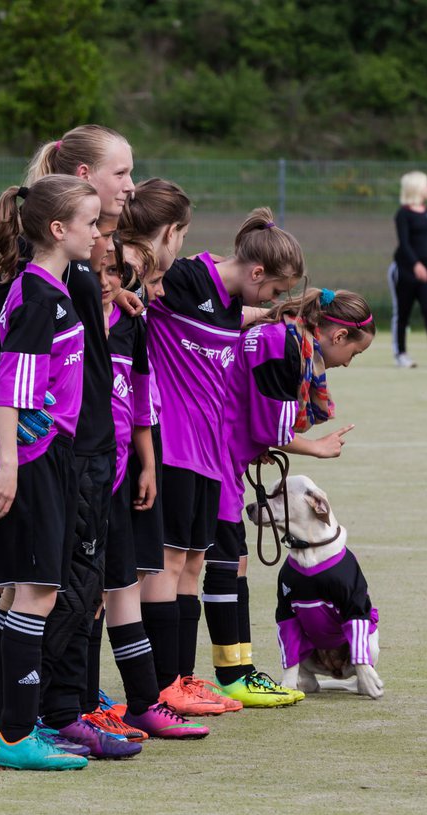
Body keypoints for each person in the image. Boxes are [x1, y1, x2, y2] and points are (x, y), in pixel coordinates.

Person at [142, 207, 307, 714]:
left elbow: (243, 316)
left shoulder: (233, 305)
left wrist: (296, 312)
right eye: (275, 290)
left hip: (211, 456)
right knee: (168, 564)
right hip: (172, 446)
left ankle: (185, 680)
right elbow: (135, 271)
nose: (272, 299)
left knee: (193, 563)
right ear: (256, 271)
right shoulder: (186, 276)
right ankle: (160, 685)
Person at [0, 175, 101, 772]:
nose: (98, 234)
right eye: (91, 224)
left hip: (45, 459)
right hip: (31, 462)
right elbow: (11, 391)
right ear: (58, 229)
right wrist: (11, 470)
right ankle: (18, 736)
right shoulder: (38, 297)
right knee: (38, 593)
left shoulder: (50, 290)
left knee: (19, 590)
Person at [22, 126, 146, 757]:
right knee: (55, 589)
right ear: (81, 177)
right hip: (68, 454)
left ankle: (68, 707)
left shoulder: (84, 263)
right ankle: (33, 714)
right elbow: (9, 362)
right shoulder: (46, 274)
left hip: (100, 450)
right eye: (120, 173)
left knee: (85, 588)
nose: (130, 185)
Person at [203, 287, 372, 706]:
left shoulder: (279, 334)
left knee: (225, 561)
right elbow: (269, 430)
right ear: (337, 337)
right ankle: (230, 675)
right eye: (354, 352)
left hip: (217, 449)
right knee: (217, 564)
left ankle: (235, 671)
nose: (349, 362)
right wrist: (317, 447)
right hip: (212, 453)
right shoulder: (288, 345)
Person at [87, 181, 210, 739]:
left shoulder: (130, 289)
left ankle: (144, 695)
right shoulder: (119, 275)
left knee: (127, 576)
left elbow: (136, 383)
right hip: (95, 451)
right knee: (106, 581)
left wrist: (147, 459)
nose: (157, 291)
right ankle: (92, 700)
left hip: (132, 443)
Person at [388, 170, 427, 369]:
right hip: (405, 271)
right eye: (426, 185)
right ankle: (401, 354)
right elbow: (404, 243)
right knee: (403, 313)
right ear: (416, 188)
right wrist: (415, 265)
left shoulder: (426, 211)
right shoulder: (402, 214)